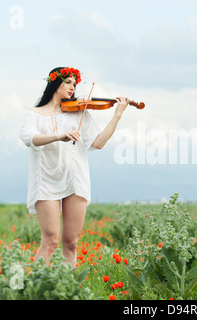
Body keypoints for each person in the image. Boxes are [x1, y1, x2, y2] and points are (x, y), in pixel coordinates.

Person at [19, 66, 129, 267]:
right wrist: (58, 136)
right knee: (50, 241)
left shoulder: (78, 112)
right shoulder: (34, 114)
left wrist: (118, 115)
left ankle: (68, 291)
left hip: (74, 178)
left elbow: (98, 143)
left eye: (74, 84)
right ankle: (38, 290)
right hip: (45, 180)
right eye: (68, 82)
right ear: (54, 82)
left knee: (71, 243)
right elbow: (29, 138)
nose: (72, 87)